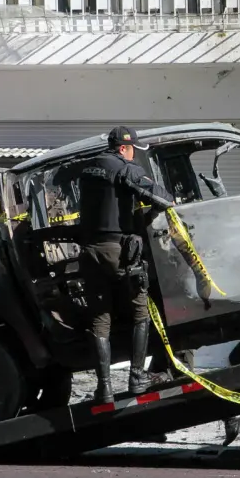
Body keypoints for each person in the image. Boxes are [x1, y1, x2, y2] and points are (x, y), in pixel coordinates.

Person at [77, 126, 175, 404]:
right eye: (132, 150)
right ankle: (136, 377)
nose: (133, 155)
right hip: (116, 251)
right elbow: (161, 198)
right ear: (123, 148)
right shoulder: (124, 168)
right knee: (140, 313)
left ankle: (104, 387)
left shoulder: (88, 169)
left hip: (89, 253)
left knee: (100, 319)